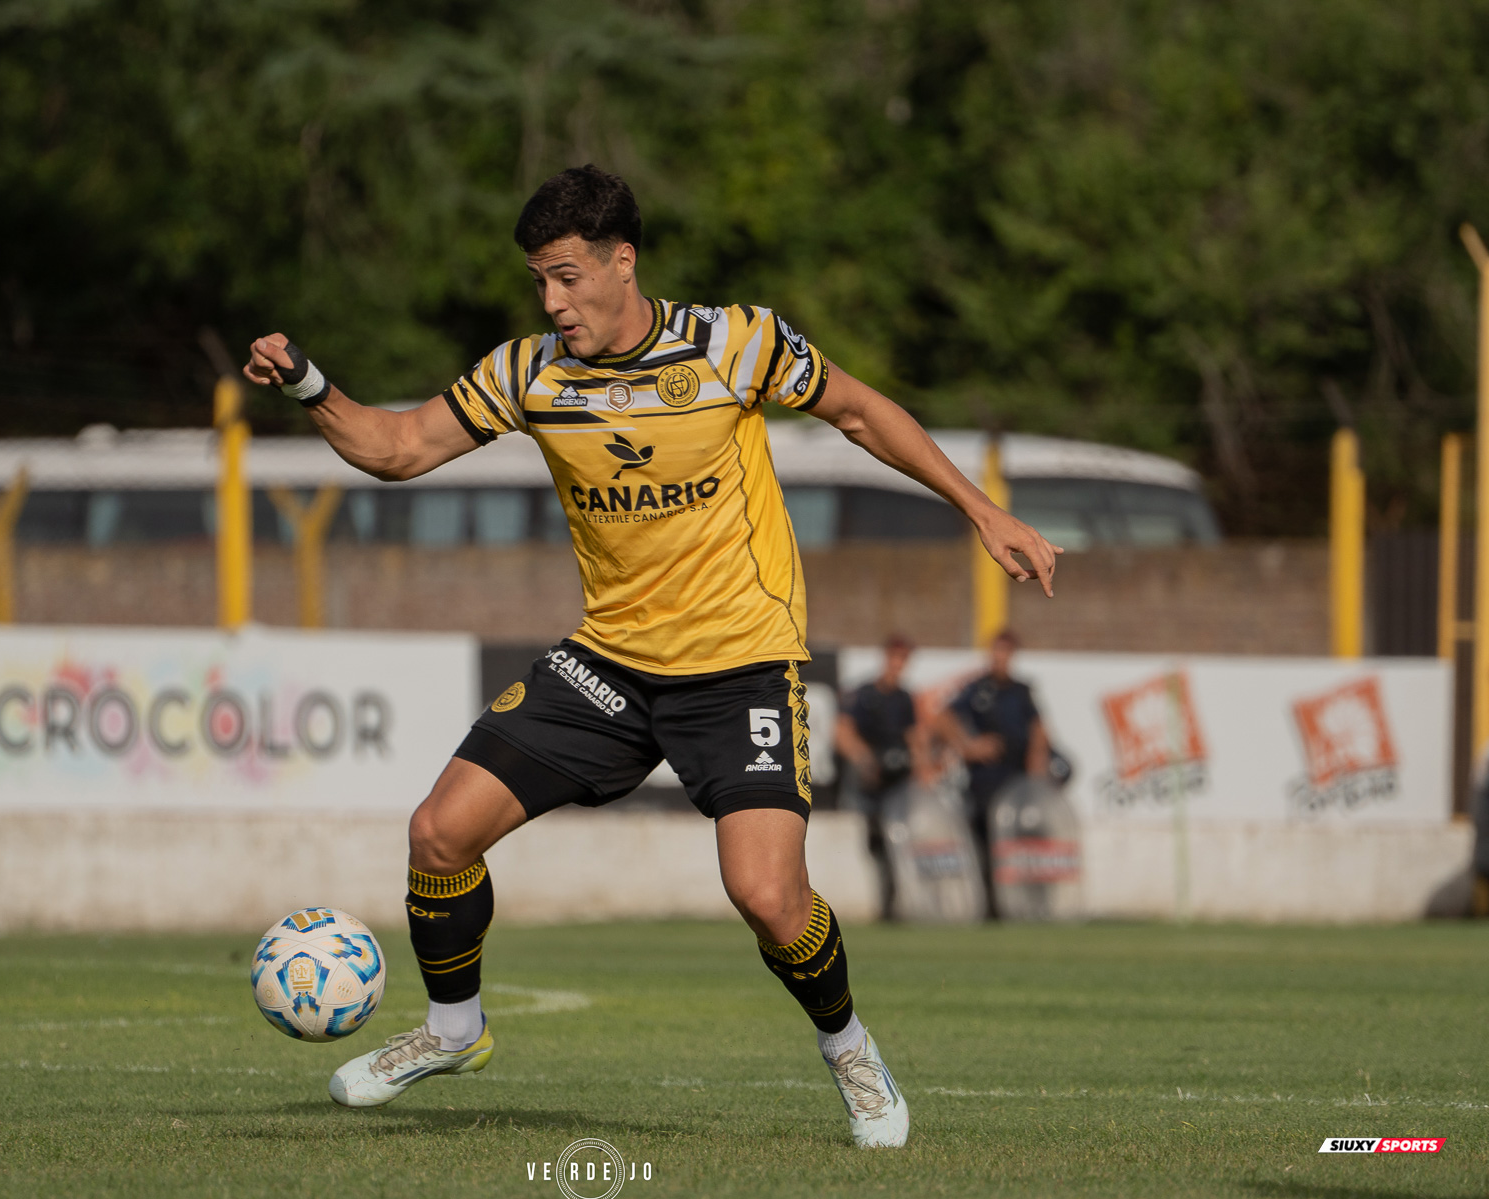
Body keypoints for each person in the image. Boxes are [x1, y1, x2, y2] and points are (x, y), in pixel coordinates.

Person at [244, 166, 1060, 1149]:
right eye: (539, 282)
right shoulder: (528, 373)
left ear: (621, 262)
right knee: (438, 834)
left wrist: (981, 509)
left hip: (740, 664)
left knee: (768, 897)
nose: (553, 302)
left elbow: (858, 410)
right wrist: (310, 384)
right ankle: (455, 1030)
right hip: (609, 665)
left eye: (567, 277)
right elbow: (398, 447)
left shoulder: (734, 344)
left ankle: (848, 1045)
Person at [933, 628, 1053, 914]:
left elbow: (1038, 728)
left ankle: (1025, 904)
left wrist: (1037, 759)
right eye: (998, 651)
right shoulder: (977, 689)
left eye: (1007, 652)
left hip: (1017, 777)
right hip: (986, 780)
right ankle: (992, 907)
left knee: (1023, 842)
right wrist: (968, 746)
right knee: (987, 844)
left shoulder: (1021, 691)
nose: (1001, 658)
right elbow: (943, 718)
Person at [835, 635, 929, 919]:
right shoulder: (863, 695)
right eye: (895, 658)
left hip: (896, 784)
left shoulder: (904, 699)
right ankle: (883, 902)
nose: (898, 665)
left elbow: (914, 739)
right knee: (875, 843)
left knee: (898, 843)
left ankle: (896, 902)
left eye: (903, 660)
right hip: (869, 783)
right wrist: (865, 760)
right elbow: (843, 734)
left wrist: (923, 768)